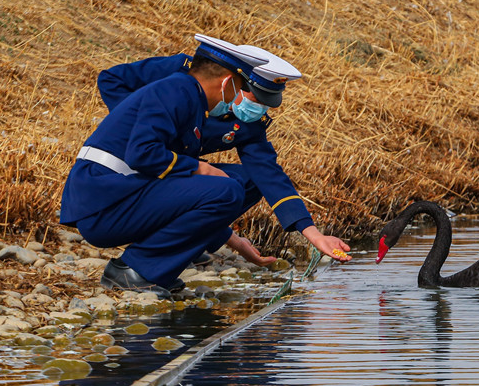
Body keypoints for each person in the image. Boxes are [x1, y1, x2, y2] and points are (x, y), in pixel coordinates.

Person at [60, 35, 350, 298]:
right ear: (229, 83)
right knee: (224, 188)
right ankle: (135, 269)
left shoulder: (193, 96)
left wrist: (312, 234)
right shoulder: (177, 87)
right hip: (106, 201)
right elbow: (142, 151)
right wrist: (189, 162)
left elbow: (268, 173)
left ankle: (166, 256)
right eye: (245, 90)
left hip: (126, 192)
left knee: (240, 181)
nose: (257, 107)